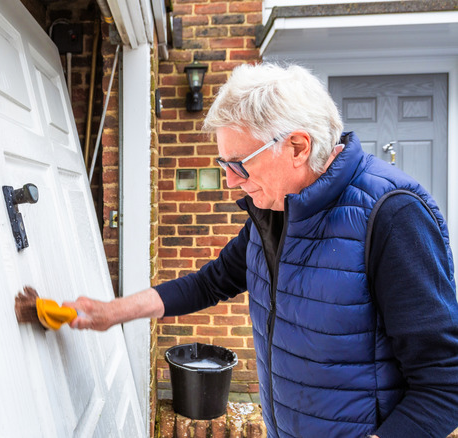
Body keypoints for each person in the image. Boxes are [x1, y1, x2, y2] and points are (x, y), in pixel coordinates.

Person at [63, 63, 458, 438]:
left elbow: (444, 384)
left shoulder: (392, 214)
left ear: (298, 147)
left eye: (239, 164)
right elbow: (210, 282)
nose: (232, 182)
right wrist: (112, 312)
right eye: (224, 163)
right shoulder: (274, 212)